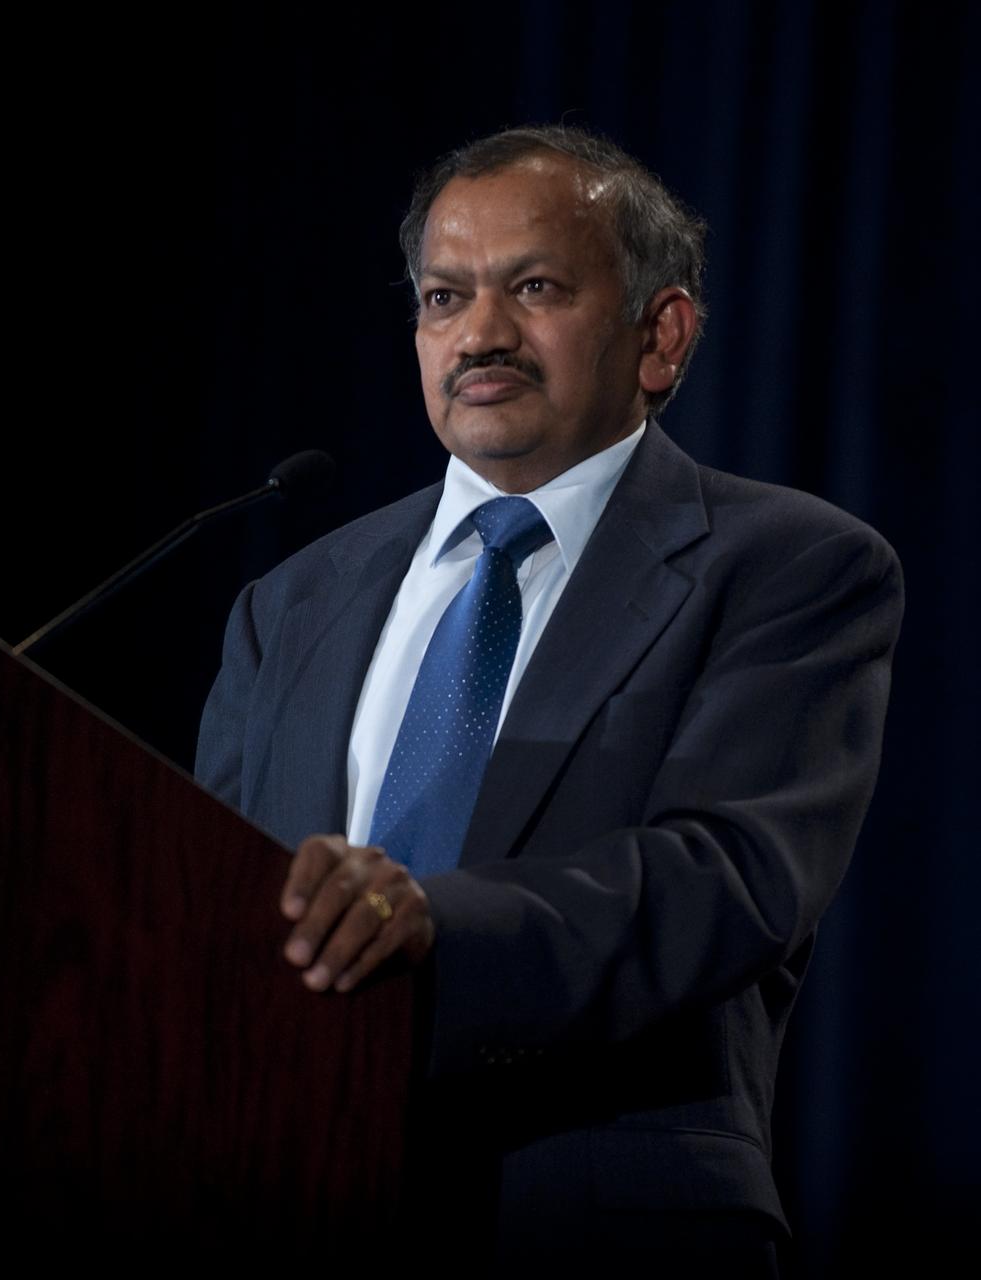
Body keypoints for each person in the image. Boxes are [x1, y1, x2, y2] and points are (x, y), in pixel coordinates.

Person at [195, 124, 903, 1273]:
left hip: (597, 1226)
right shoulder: (290, 602)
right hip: (289, 1205)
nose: (479, 334)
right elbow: (213, 909)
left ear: (658, 335)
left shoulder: (785, 566)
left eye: (533, 287)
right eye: (441, 296)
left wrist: (430, 921)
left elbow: (726, 876)